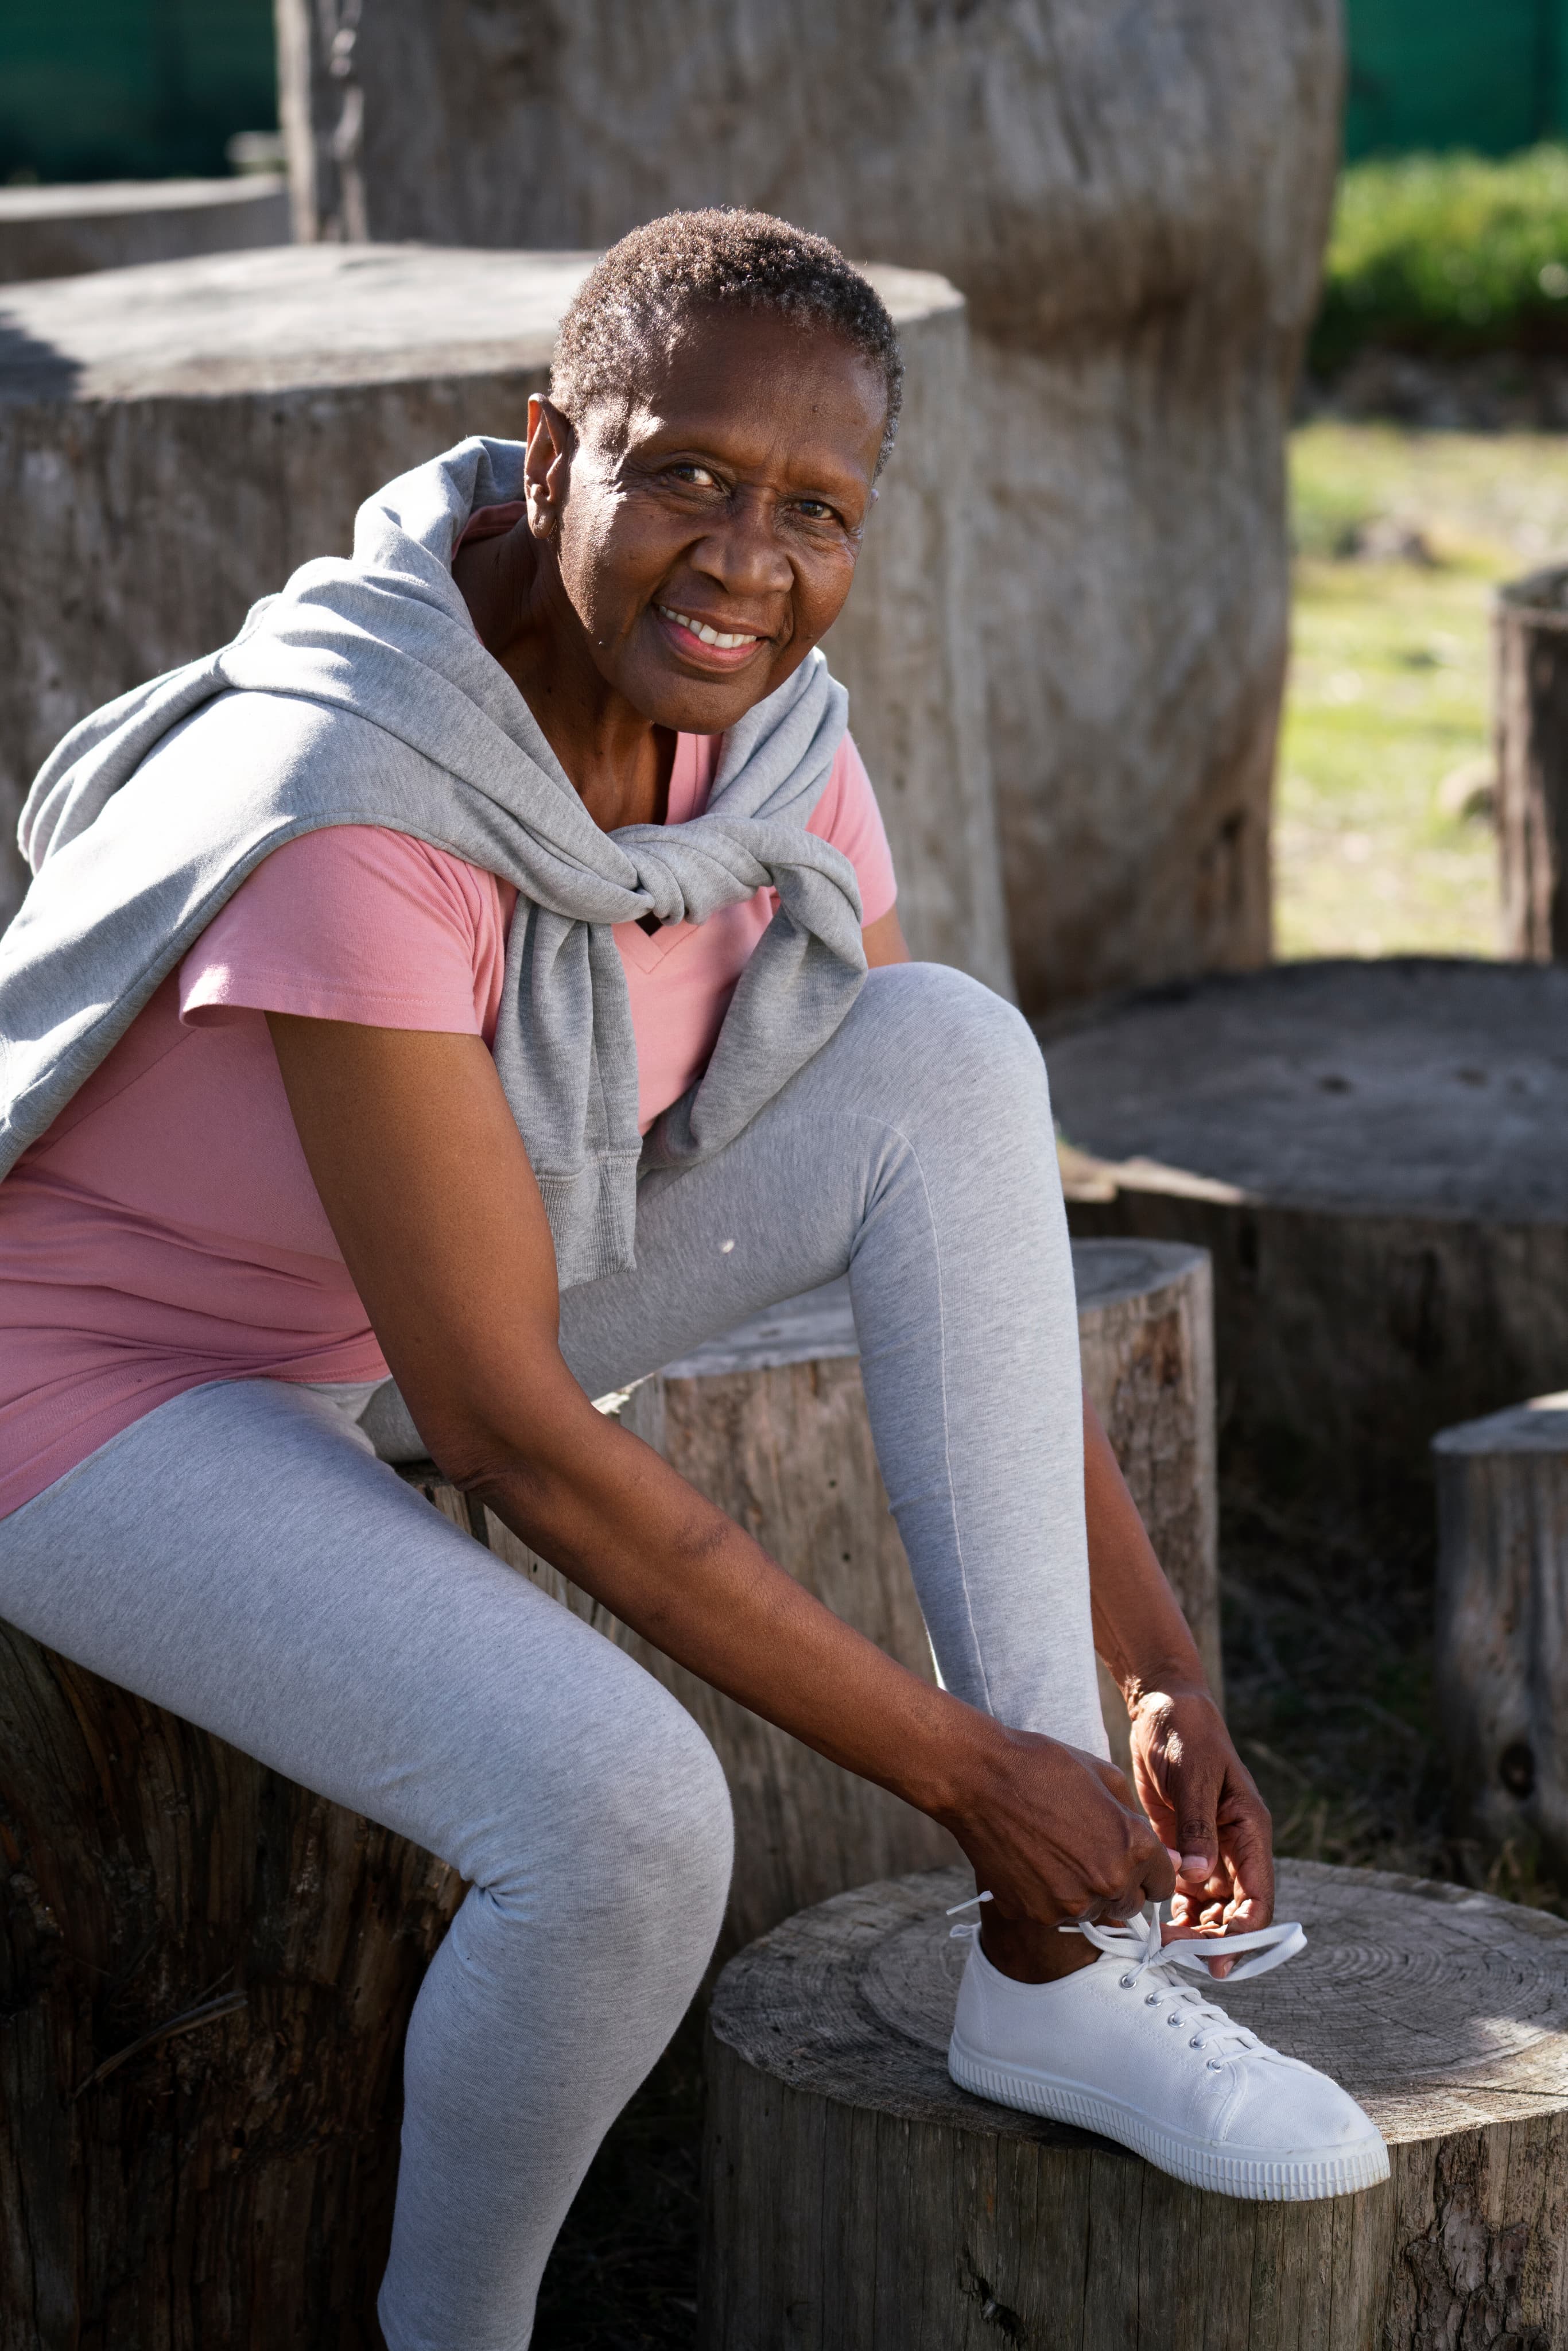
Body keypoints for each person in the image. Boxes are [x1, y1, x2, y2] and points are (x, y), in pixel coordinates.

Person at [0, 210, 1385, 2347]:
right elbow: (501, 1429)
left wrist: (1147, 1673)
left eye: (814, 511)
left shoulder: (771, 746)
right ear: (551, 449)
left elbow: (960, 1196)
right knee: (628, 1820)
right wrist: (959, 1773)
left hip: (407, 1313)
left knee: (948, 1056)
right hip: (113, 1380)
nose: (746, 559)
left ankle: (1053, 1979)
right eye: (685, 477)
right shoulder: (360, 802)